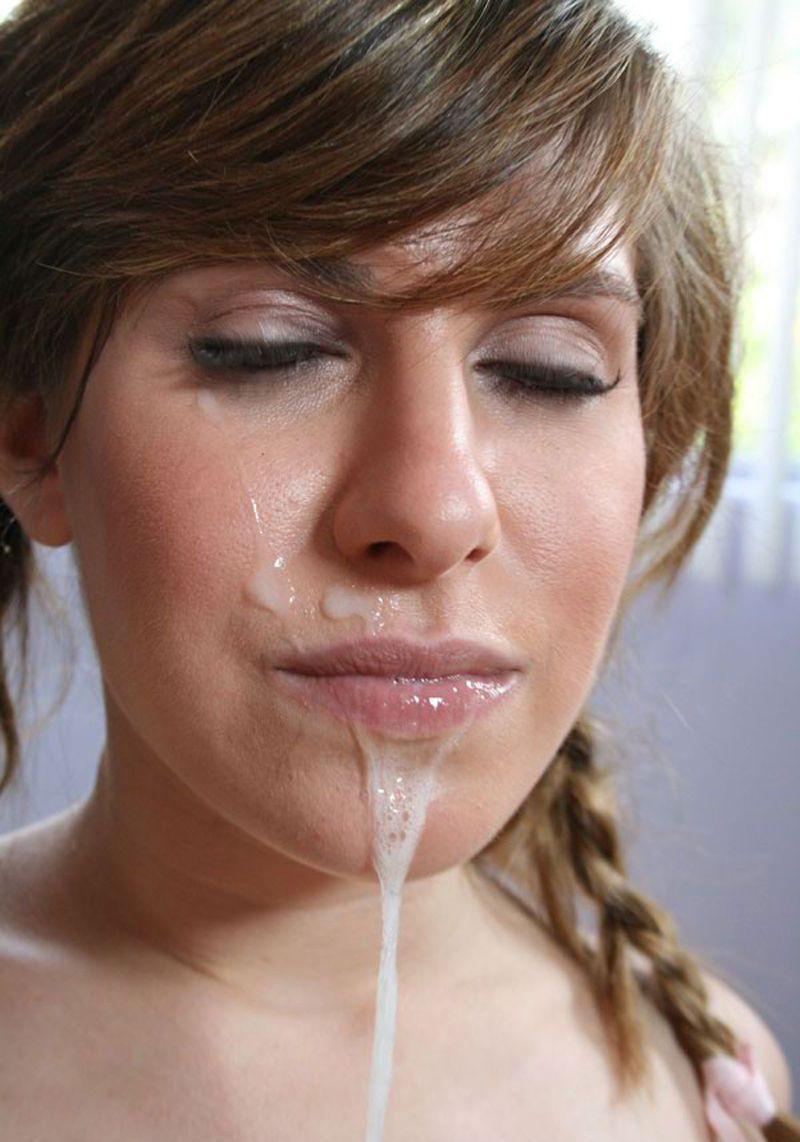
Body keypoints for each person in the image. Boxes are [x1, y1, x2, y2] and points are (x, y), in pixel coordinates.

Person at [0, 0, 795, 1139]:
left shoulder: (705, 1073)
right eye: (271, 351)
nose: (433, 508)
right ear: (30, 431)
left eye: (548, 370)